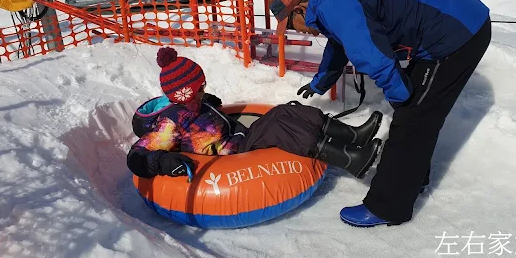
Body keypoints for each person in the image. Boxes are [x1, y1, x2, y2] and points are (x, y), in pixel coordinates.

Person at [269, 0, 492, 228]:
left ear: (300, 9)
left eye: (292, 26)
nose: (298, 32)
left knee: (413, 119)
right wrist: (321, 82)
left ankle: (388, 207)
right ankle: (412, 179)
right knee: (416, 115)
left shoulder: (335, 4)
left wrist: (403, 99)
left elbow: (372, 57)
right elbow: (340, 43)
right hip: (457, 22)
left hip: (457, 35)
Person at [127, 46, 385, 180]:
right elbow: (138, 154)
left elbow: (207, 116)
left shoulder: (197, 103)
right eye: (199, 86)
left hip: (239, 138)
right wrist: (160, 163)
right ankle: (352, 160)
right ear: (186, 92)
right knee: (280, 128)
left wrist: (209, 104)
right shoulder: (171, 122)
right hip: (231, 156)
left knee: (283, 111)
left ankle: (353, 136)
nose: (204, 88)